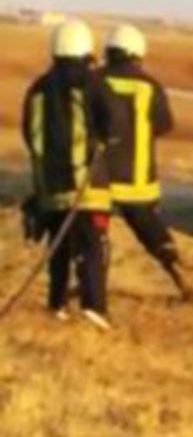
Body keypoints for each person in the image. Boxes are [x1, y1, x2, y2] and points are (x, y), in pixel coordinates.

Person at [21, 20, 115, 329]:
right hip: (87, 186)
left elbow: (29, 134)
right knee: (91, 245)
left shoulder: (37, 88)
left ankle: (57, 303)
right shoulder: (92, 83)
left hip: (50, 187)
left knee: (58, 246)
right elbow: (112, 124)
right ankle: (94, 305)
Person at [99, 23, 193, 300]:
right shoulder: (150, 85)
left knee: (94, 233)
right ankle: (176, 271)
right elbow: (165, 124)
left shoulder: (94, 81)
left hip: (100, 178)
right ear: (138, 53)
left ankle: (92, 286)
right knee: (151, 230)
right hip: (139, 180)